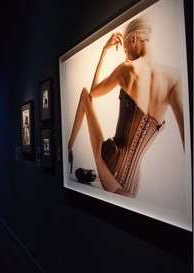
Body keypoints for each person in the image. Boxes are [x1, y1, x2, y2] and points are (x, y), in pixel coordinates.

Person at [67, 16, 184, 197]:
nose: (125, 55)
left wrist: (105, 50)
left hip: (111, 170)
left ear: (134, 38)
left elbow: (93, 92)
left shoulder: (127, 69)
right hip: (133, 188)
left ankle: (67, 151)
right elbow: (187, 136)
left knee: (83, 94)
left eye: (125, 49)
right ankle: (94, 175)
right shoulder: (174, 78)